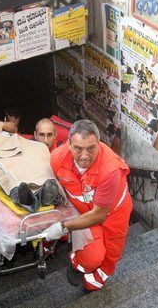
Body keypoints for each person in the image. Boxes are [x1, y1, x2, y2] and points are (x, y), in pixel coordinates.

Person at [42, 120, 133, 291]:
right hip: (83, 212)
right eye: (78, 148)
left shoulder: (110, 170)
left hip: (112, 214)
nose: (85, 156)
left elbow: (99, 215)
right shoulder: (57, 159)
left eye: (91, 148)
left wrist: (64, 227)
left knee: (110, 257)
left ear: (98, 144)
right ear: (69, 145)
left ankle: (91, 279)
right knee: (92, 257)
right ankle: (78, 263)